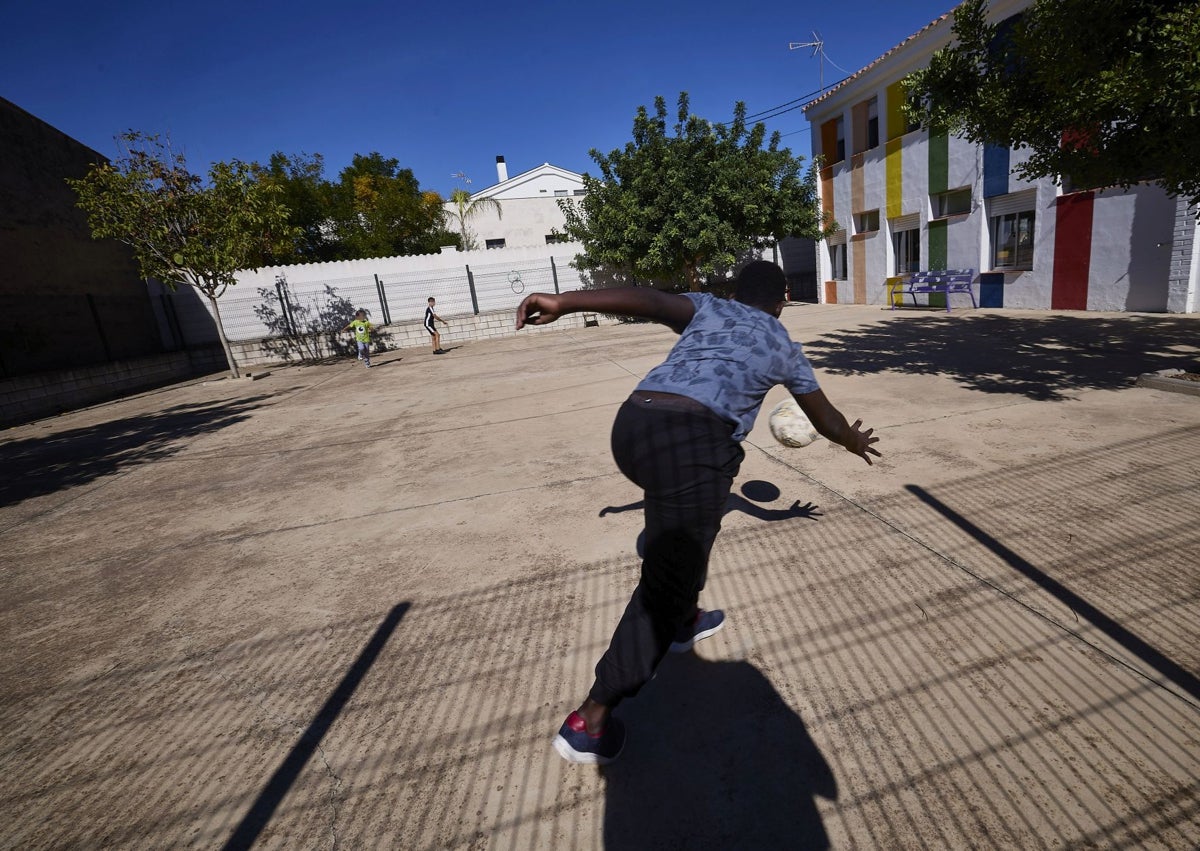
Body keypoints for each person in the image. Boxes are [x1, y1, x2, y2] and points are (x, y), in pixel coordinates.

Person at [514, 260, 881, 765]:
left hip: (636, 424)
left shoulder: (709, 307)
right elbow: (827, 418)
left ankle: (687, 617)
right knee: (665, 584)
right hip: (693, 443)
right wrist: (854, 440)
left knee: (693, 523)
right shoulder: (783, 344)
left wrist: (563, 301)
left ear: (734, 290)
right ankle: (591, 720)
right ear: (786, 297)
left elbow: (648, 298)